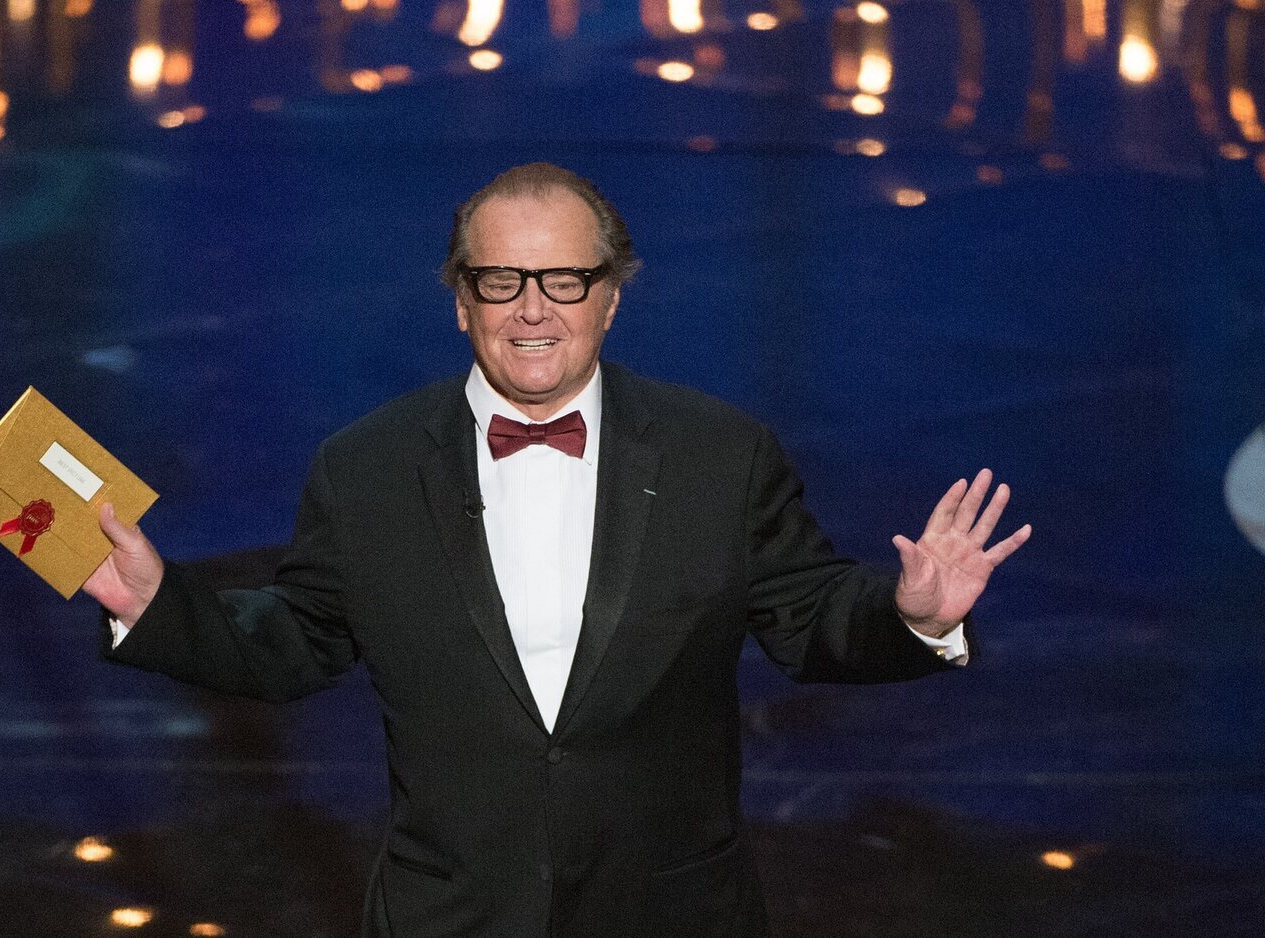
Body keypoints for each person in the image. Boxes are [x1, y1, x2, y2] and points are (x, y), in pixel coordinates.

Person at [85, 162, 1030, 937]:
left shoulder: (718, 455)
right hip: (450, 916)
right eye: (501, 280)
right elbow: (293, 641)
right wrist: (157, 603)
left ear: (610, 297)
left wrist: (910, 618)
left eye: (564, 280)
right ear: (461, 301)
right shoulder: (365, 468)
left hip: (672, 913)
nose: (532, 310)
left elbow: (812, 618)